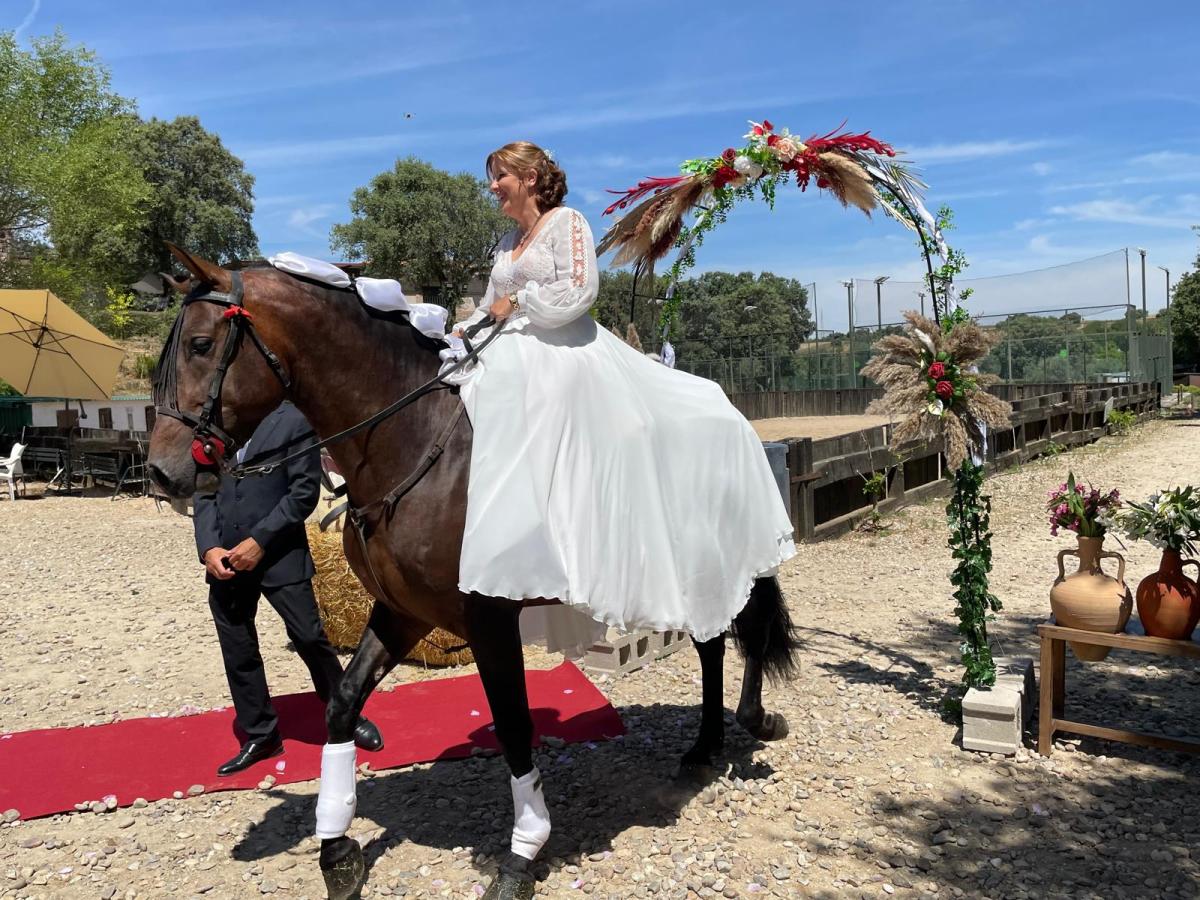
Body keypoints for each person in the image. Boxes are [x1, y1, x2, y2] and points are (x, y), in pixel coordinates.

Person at [451, 142, 795, 649]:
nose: (492, 185)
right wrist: (464, 330)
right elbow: (489, 305)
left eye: (500, 175)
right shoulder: (506, 242)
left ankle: (602, 542)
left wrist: (519, 299)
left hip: (565, 345)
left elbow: (580, 291)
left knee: (610, 424)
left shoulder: (567, 222)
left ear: (529, 177)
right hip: (510, 344)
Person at [194, 401, 382, 776]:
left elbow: (302, 493)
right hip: (225, 560)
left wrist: (259, 541)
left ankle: (346, 713)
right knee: (238, 648)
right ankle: (261, 734)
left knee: (309, 637)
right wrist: (208, 547)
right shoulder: (215, 421)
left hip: (279, 554)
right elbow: (204, 491)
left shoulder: (294, 420)